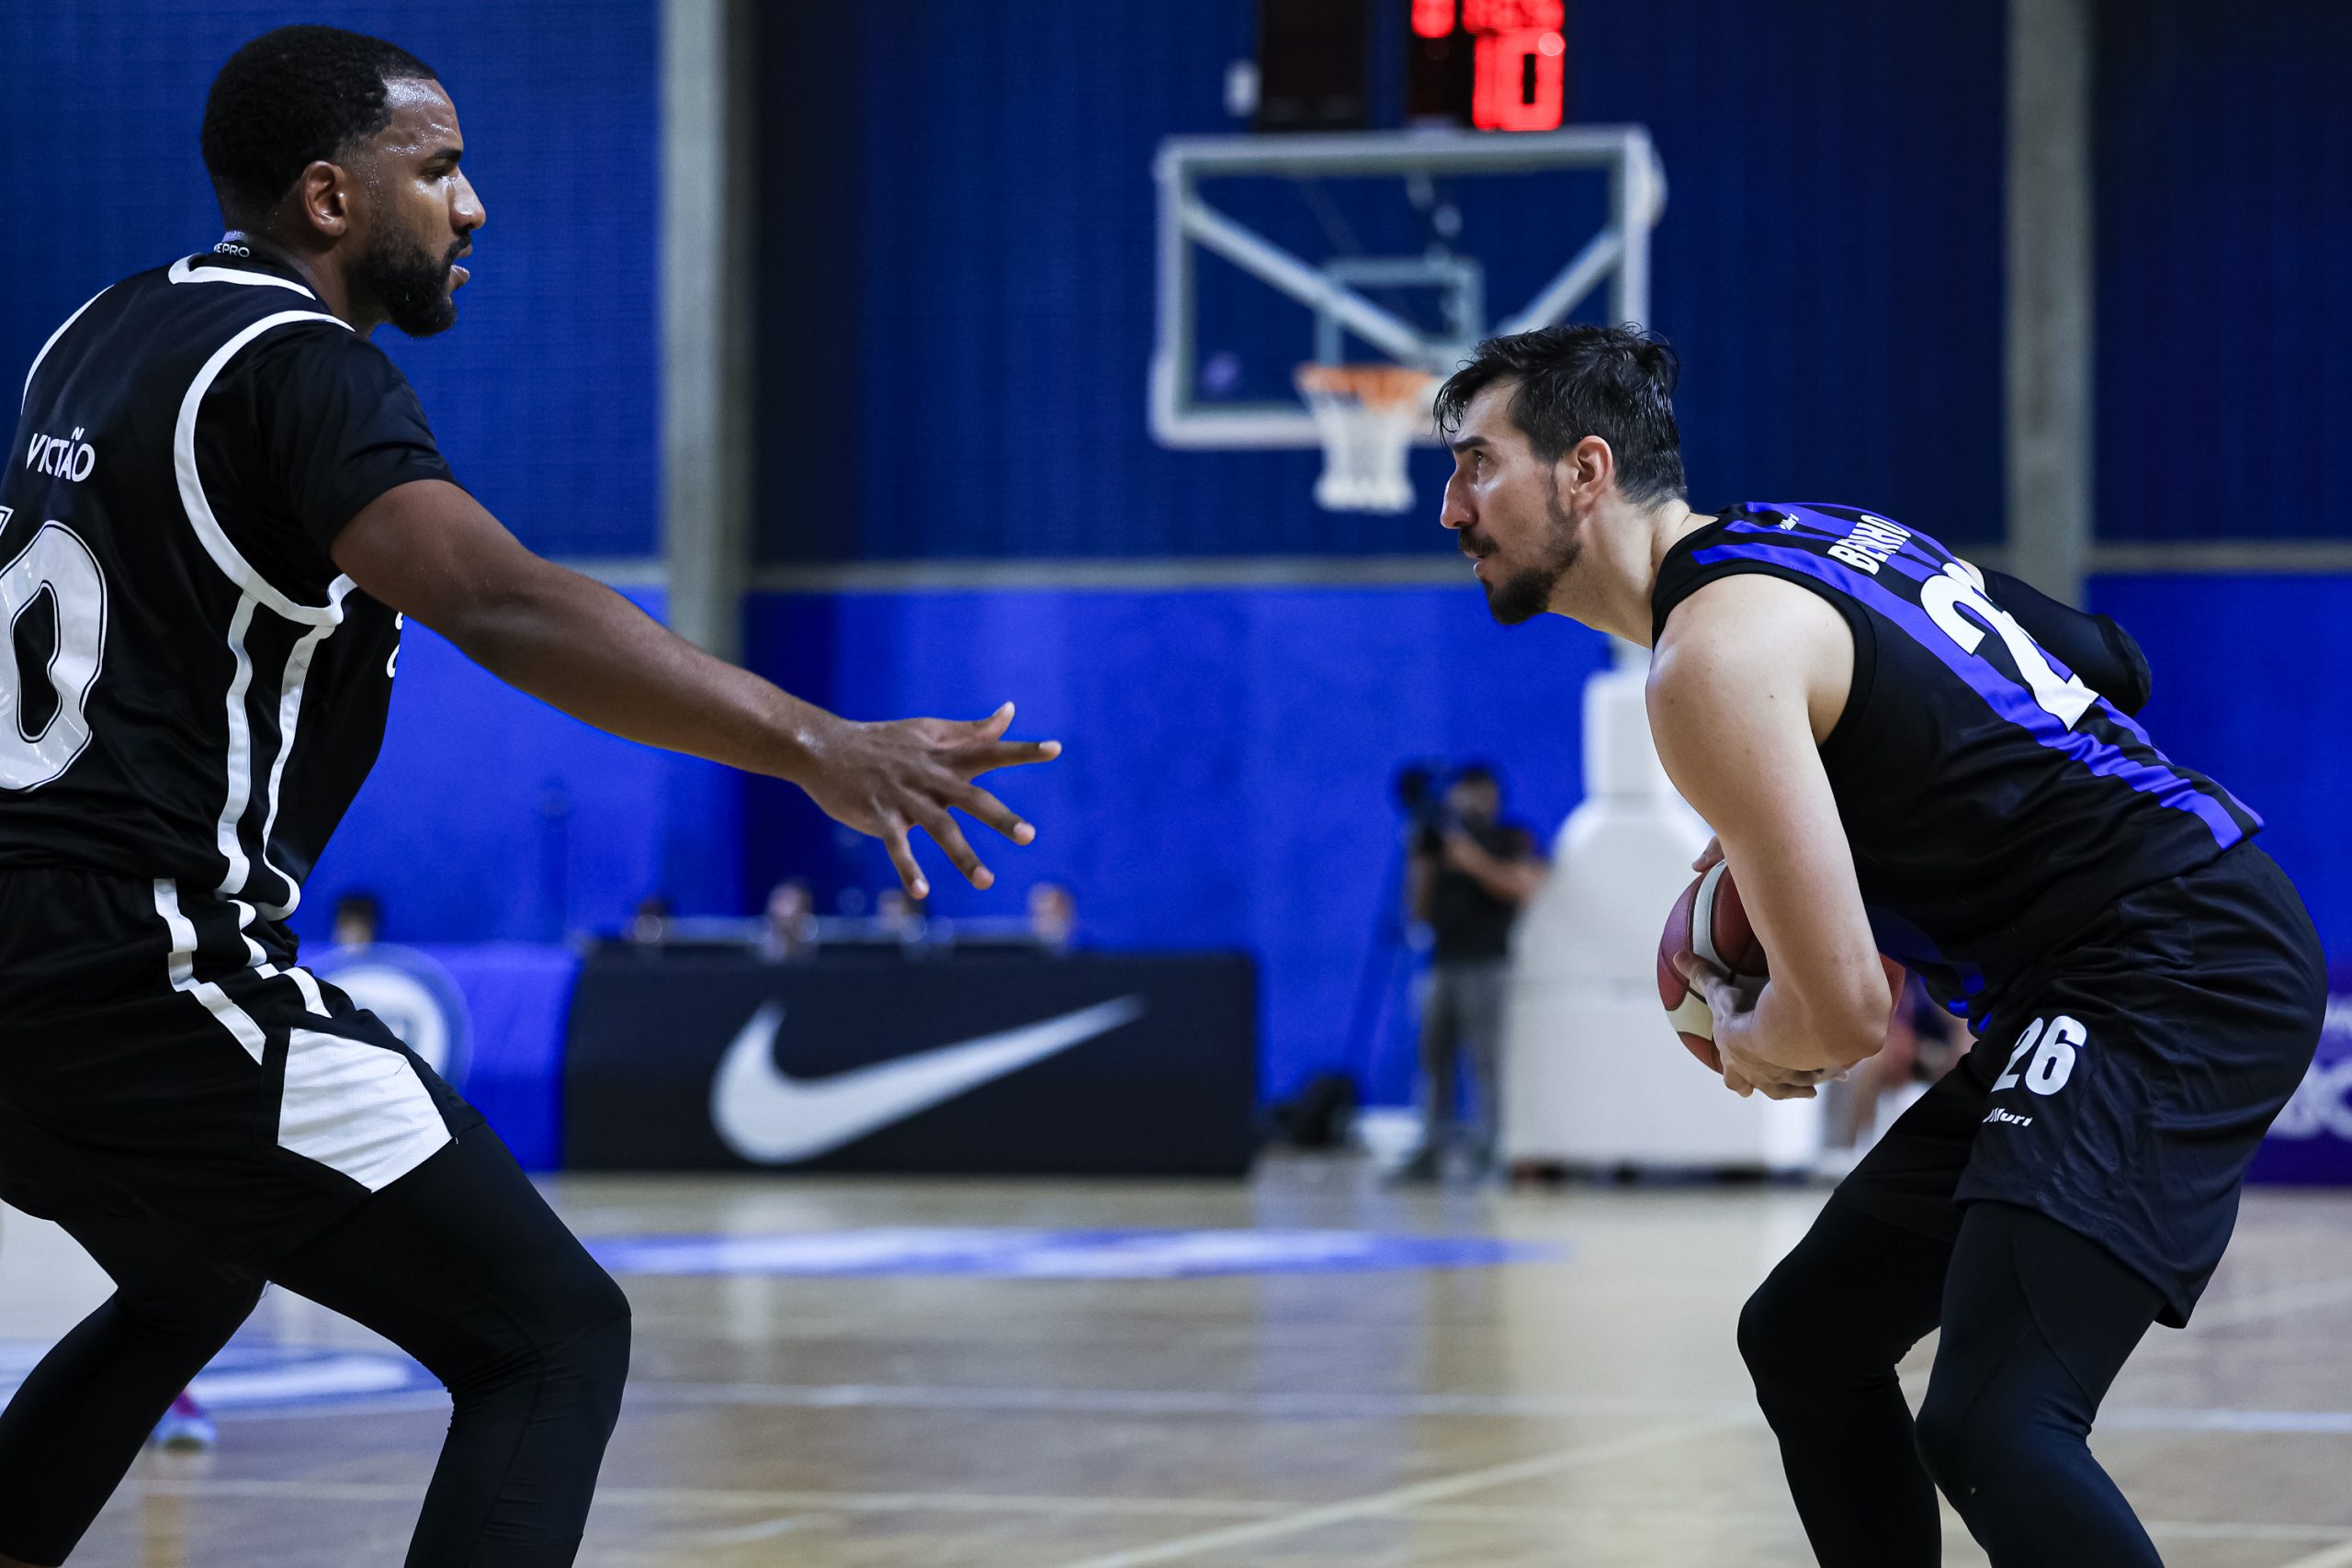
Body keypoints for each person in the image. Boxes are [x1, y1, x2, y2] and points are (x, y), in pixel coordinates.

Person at [0, 26, 1057, 1568]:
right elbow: (498, 600)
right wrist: (813, 742)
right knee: (553, 1334)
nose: (471, 204)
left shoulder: (95, 332)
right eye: (437, 169)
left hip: (19, 968)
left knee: (190, 1269)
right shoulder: (303, 368)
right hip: (147, 972)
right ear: (329, 198)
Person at [1433, 322, 2321, 1566]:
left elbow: (1843, 1017)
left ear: (1585, 470)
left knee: (1999, 1423)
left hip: (2165, 959)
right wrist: (1846, 796)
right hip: (2123, 954)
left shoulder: (1709, 660)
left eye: (1477, 464)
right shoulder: (1816, 537)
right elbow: (2108, 660)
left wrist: (1748, 1032)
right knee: (1807, 1338)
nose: (1450, 507)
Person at [1396, 765, 1546, 1181]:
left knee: (1485, 1063)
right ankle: (1431, 1148)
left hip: (1487, 964)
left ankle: (1490, 1151)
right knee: (1432, 1061)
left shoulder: (1508, 837)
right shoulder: (1439, 843)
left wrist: (1470, 859)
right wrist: (1421, 857)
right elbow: (1418, 912)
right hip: (1442, 963)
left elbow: (1522, 886)